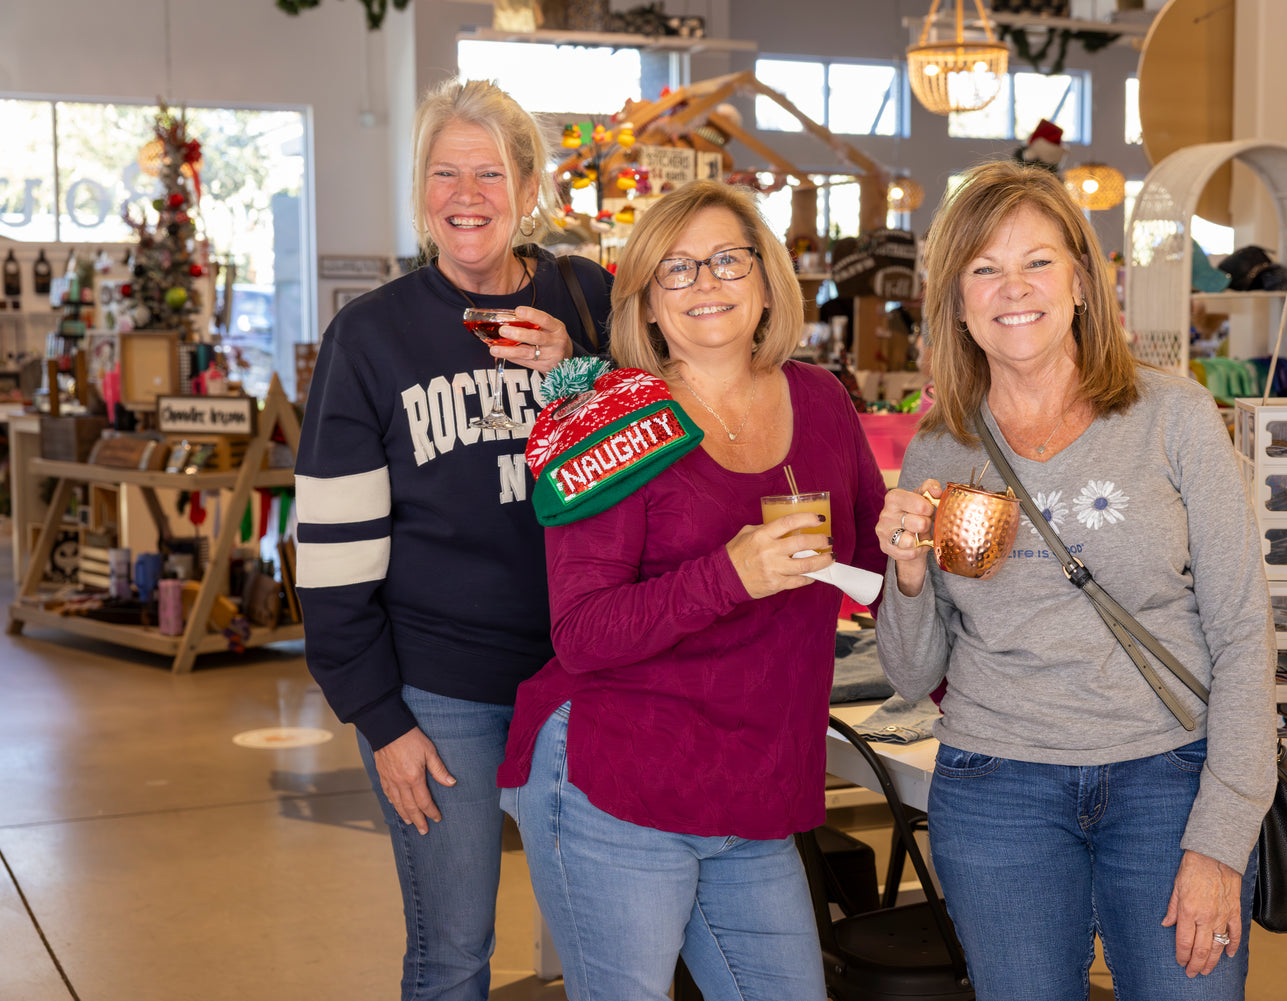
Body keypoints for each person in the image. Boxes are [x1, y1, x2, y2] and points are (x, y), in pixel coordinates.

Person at [874, 159, 1276, 1001]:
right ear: (957, 301)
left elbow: (1244, 631)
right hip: (997, 787)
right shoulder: (941, 446)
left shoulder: (1173, 416)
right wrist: (906, 573)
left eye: (1038, 261)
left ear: (1083, 282)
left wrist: (1221, 836)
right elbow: (912, 675)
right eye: (984, 268)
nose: (1013, 288)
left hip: (1169, 778)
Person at [496, 179, 888, 1001]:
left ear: (767, 278)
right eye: (675, 268)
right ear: (645, 300)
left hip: (755, 790)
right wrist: (729, 574)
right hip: (616, 780)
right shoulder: (610, 418)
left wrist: (919, 562)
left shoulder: (821, 400)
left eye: (726, 260)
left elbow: (876, 569)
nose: (705, 282)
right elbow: (583, 631)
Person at [295, 76, 611, 1001]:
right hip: (439, 693)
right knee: (453, 951)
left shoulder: (589, 299)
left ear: (529, 188)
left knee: (616, 943)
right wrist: (380, 717)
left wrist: (579, 371)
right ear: (420, 188)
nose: (466, 195)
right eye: (444, 172)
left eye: (490, 172)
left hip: (588, 675)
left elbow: (669, 439)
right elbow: (332, 553)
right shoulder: (370, 337)